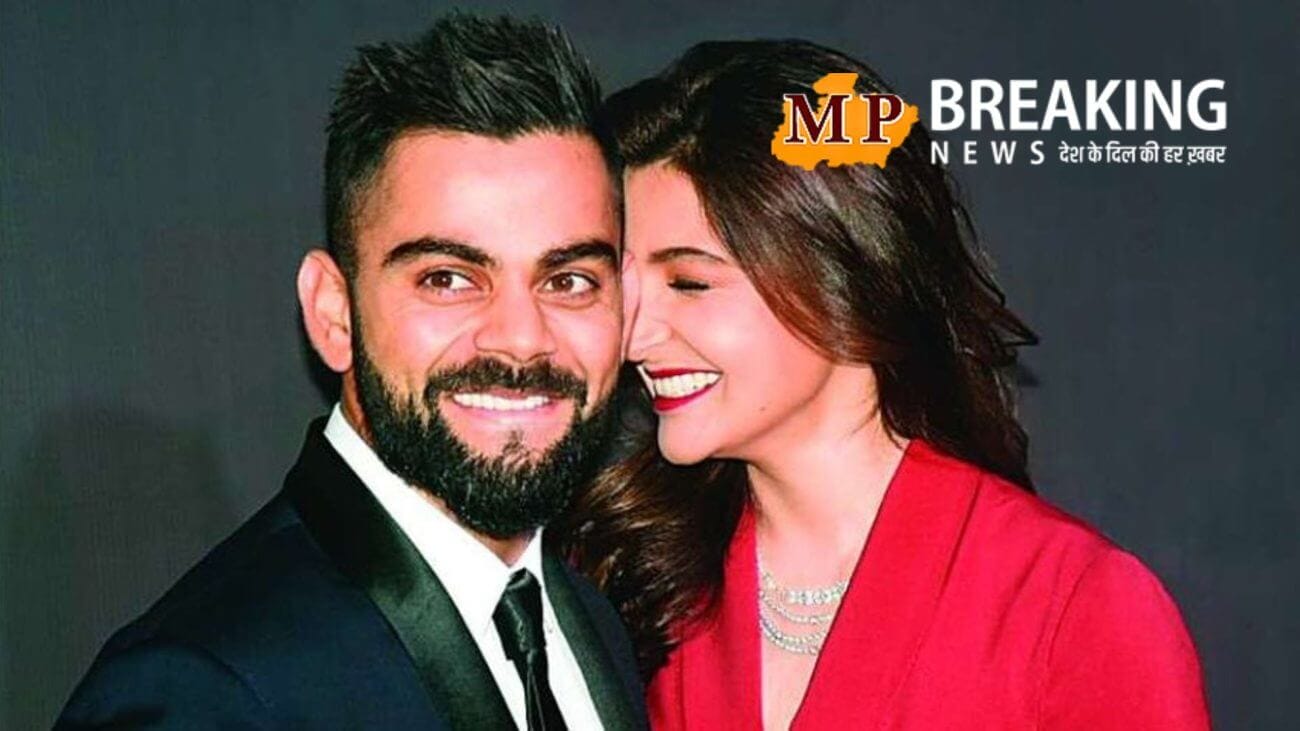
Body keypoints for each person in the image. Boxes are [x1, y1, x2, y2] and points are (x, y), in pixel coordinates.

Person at [560, 40, 1210, 729]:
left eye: (690, 282)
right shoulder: (628, 582)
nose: (631, 336)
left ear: (843, 277)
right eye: (624, 286)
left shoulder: (1069, 605)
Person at [56, 14, 645, 730]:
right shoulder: (203, 688)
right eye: (448, 279)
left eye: (569, 280)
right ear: (334, 313)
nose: (522, 340)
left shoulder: (591, 621)